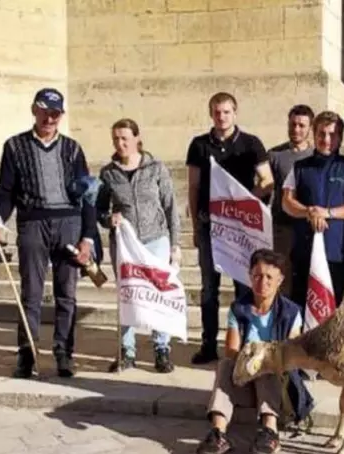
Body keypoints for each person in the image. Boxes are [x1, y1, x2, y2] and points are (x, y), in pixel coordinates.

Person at [0, 87, 98, 378]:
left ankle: (63, 353)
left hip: (68, 223)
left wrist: (88, 236)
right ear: (34, 110)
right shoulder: (14, 146)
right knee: (31, 292)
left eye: (55, 113)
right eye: (45, 111)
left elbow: (88, 196)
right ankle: (27, 353)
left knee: (67, 293)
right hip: (32, 222)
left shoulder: (73, 149)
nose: (50, 118)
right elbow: (7, 192)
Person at [186, 92, 274, 365]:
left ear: (235, 113)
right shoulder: (199, 145)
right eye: (217, 112)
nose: (221, 117)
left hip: (240, 229)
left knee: (243, 287)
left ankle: (244, 343)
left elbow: (267, 180)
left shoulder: (251, 143)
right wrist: (194, 226)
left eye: (226, 112)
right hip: (209, 227)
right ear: (211, 114)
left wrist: (247, 201)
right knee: (209, 289)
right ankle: (208, 344)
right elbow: (194, 186)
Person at [196, 249, 303, 454]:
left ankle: (269, 430)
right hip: (243, 378)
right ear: (250, 276)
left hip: (278, 385)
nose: (262, 281)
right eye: (257, 275)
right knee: (225, 365)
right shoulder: (239, 309)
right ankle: (218, 432)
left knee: (269, 360)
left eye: (269, 277)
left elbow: (292, 355)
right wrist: (250, 359)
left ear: (280, 280)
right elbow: (231, 351)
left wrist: (261, 356)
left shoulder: (291, 312)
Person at [96, 118, 182, 373]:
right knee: (128, 294)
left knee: (158, 293)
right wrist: (108, 220)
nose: (120, 143)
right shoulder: (108, 173)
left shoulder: (156, 168)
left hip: (156, 239)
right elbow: (99, 209)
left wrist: (175, 244)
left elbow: (170, 207)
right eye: (115, 139)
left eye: (124, 138)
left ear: (136, 138)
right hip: (125, 243)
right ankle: (127, 350)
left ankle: (161, 349)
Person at [281, 111, 344, 308]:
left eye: (332, 134)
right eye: (321, 133)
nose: (326, 139)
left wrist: (327, 213)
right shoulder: (299, 167)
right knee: (300, 307)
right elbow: (286, 201)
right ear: (314, 133)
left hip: (337, 251)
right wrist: (309, 212)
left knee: (330, 308)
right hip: (304, 250)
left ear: (340, 137)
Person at [268, 104, 316, 297]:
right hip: (282, 227)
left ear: (310, 128)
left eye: (301, 125)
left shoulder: (316, 156)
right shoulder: (274, 155)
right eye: (293, 124)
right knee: (282, 279)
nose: (296, 129)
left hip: (309, 227)